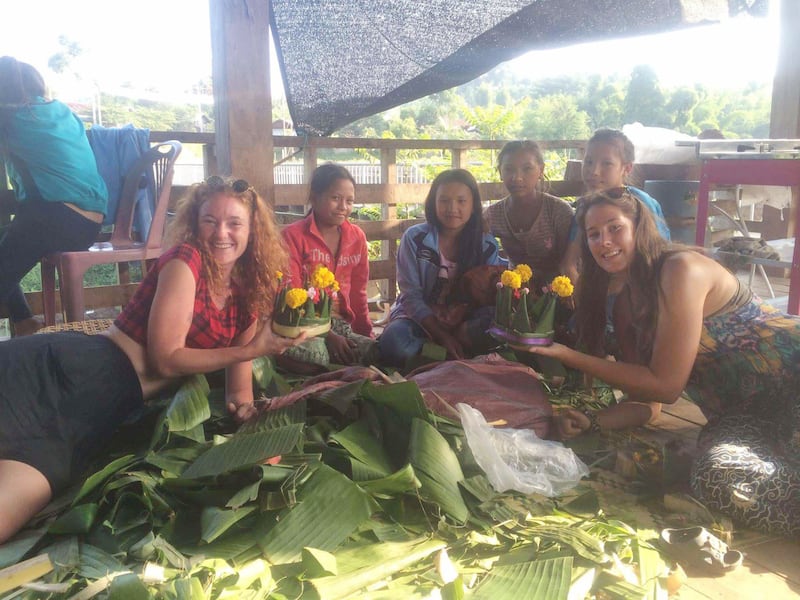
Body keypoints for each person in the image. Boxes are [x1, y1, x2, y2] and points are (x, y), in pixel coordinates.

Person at [0, 176, 305, 543]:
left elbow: (237, 394)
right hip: (69, 371)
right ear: (196, 223)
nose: (221, 233)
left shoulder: (248, 293)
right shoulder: (185, 261)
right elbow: (165, 359)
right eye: (210, 220)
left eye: (234, 223)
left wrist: (254, 420)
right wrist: (254, 349)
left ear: (252, 229)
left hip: (101, 412)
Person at [517, 187, 800, 536]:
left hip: (794, 383)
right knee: (716, 476)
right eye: (593, 234)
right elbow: (649, 401)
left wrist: (567, 355)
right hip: (749, 415)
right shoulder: (623, 305)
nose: (604, 241)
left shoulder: (681, 270)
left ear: (639, 227)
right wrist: (593, 420)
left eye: (614, 228)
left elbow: (667, 385)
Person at [0, 56, 109, 336]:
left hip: (56, 217)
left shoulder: (10, 117)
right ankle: (24, 322)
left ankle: (25, 324)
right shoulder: (60, 110)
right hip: (89, 222)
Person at [378, 168, 504, 367]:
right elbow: (411, 296)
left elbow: (488, 298)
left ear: (473, 206)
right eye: (444, 200)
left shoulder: (486, 245)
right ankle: (451, 355)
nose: (452, 208)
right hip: (420, 319)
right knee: (395, 343)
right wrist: (442, 335)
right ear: (433, 203)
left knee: (500, 328)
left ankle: (435, 355)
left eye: (461, 201)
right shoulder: (415, 239)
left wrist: (463, 330)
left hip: (465, 322)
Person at [280, 163, 375, 373]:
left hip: (342, 326)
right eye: (335, 198)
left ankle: (336, 370)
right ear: (315, 197)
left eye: (349, 201)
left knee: (377, 352)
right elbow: (291, 296)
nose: (343, 207)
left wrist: (366, 334)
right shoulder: (293, 236)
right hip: (301, 326)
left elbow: (359, 293)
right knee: (317, 355)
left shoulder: (356, 237)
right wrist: (328, 336)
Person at [560, 128, 670, 291]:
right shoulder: (585, 207)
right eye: (589, 162)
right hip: (598, 291)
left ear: (626, 168)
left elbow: (660, 259)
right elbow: (568, 264)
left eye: (606, 164)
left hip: (643, 290)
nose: (594, 171)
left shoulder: (641, 204)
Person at [484, 140, 574, 290]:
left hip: (557, 292)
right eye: (509, 169)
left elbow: (570, 263)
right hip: (514, 291)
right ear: (500, 171)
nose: (517, 178)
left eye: (527, 169)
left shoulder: (559, 211)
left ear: (541, 170)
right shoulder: (493, 215)